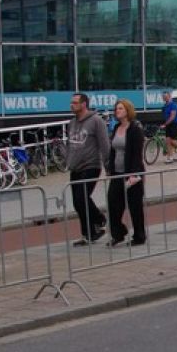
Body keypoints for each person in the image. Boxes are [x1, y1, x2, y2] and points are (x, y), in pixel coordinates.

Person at [66, 92, 109, 246]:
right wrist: (68, 161)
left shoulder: (96, 121)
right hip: (75, 167)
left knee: (82, 197)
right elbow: (70, 144)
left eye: (75, 102)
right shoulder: (72, 123)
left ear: (84, 104)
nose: (72, 105)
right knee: (78, 203)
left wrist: (107, 164)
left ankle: (99, 219)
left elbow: (104, 144)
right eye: (71, 102)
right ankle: (88, 233)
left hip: (91, 165)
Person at [105, 99, 146, 247]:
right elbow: (113, 150)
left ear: (128, 110)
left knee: (135, 206)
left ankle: (139, 236)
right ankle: (118, 233)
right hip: (117, 172)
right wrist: (109, 167)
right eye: (116, 108)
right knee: (112, 203)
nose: (117, 111)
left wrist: (134, 174)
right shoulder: (117, 127)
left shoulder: (135, 128)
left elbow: (137, 153)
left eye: (121, 108)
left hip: (131, 173)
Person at [158, 91, 177, 163]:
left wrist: (165, 124)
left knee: (172, 141)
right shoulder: (165, 106)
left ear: (169, 97)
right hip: (168, 124)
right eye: (164, 97)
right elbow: (165, 116)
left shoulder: (174, 105)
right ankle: (170, 157)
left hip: (174, 124)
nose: (165, 98)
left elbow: (172, 117)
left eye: (166, 97)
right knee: (168, 141)